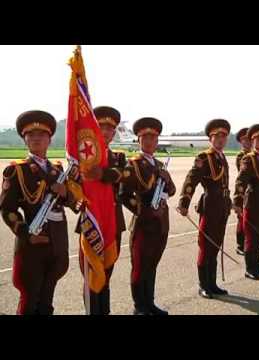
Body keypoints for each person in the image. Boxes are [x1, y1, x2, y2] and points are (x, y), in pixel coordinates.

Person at [0, 110, 77, 315]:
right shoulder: (16, 170)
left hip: (57, 243)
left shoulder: (58, 169)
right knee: (29, 299)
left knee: (47, 299)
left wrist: (66, 193)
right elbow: (7, 209)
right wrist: (26, 233)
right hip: (32, 245)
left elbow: (75, 204)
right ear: (25, 139)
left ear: (49, 140)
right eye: (31, 135)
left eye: (41, 135)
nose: (36, 138)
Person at [121, 117, 176, 315]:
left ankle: (150, 303)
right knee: (139, 265)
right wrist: (142, 209)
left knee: (152, 264)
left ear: (157, 141)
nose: (150, 141)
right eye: (145, 138)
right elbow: (123, 194)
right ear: (139, 140)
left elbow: (171, 191)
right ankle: (139, 306)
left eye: (153, 138)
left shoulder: (160, 165)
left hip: (161, 223)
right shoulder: (133, 164)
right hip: (144, 223)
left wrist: (168, 180)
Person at [75, 106, 127, 315]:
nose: (105, 132)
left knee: (107, 271)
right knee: (91, 273)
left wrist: (103, 173)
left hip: (113, 221)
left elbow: (124, 174)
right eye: (101, 127)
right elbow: (72, 182)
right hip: (91, 220)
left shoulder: (119, 157)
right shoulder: (83, 158)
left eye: (110, 129)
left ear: (114, 134)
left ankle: (103, 311)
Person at [177, 119, 232, 298]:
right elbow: (191, 179)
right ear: (210, 138)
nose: (221, 140)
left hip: (222, 206)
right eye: (217, 137)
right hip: (209, 206)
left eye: (224, 137)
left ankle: (212, 283)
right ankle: (203, 285)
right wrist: (184, 202)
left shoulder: (222, 157)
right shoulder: (204, 157)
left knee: (215, 245)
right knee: (206, 245)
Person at [234, 124, 259, 279]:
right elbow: (241, 180)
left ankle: (256, 267)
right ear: (252, 141)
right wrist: (237, 201)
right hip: (253, 201)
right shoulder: (248, 158)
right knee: (252, 236)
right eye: (258, 139)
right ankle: (250, 269)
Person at [234, 128, 250, 255]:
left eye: (249, 139)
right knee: (242, 219)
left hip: (253, 192)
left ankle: (247, 243)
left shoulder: (254, 154)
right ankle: (240, 244)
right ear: (241, 142)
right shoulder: (241, 156)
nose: (247, 142)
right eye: (244, 140)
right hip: (244, 190)